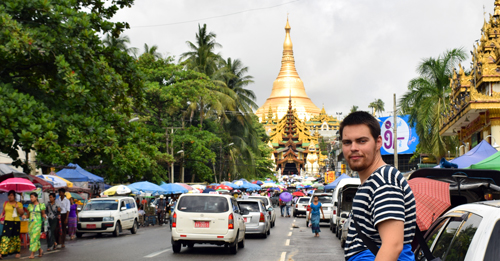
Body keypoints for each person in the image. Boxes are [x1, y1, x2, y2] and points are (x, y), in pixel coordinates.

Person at [341, 111, 416, 261]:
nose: (353, 148)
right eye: (347, 142)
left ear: (378, 142)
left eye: (362, 141)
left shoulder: (384, 181)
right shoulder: (372, 181)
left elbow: (393, 245)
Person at [0, 190, 24, 259]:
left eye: (11, 195)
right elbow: (3, 212)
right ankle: (2, 253)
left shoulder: (18, 204)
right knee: (5, 237)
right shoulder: (5, 203)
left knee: (15, 238)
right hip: (7, 222)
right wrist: (0, 217)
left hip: (15, 222)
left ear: (14, 196)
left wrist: (18, 208)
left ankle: (17, 252)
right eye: (9, 195)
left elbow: (21, 213)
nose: (10, 197)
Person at [22, 192, 46, 259]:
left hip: (38, 224)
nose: (31, 198)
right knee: (35, 238)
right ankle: (40, 250)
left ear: (36, 197)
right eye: (30, 197)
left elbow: (43, 214)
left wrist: (44, 216)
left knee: (34, 238)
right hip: (31, 224)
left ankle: (32, 253)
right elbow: (28, 215)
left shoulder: (41, 205)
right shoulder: (30, 206)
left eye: (32, 197)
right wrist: (25, 216)